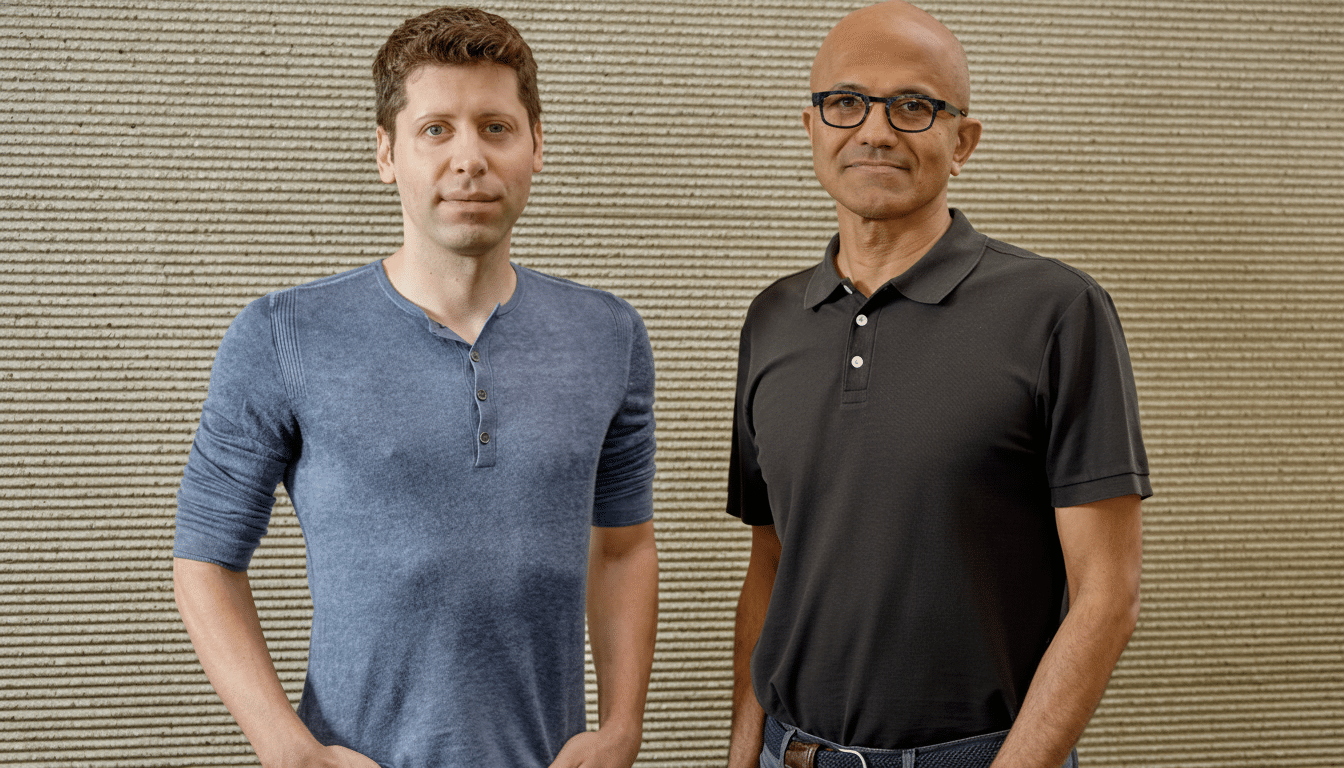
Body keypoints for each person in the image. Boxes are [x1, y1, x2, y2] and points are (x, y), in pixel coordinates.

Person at [173, 8, 658, 768]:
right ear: (385, 153)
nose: (469, 157)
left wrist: (622, 728)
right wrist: (290, 752)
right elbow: (205, 559)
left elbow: (624, 548)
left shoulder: (610, 335)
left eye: (496, 127)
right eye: (437, 129)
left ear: (537, 146)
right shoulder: (282, 334)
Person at [725, 2, 1150, 767]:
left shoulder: (1058, 312)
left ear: (964, 142)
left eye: (913, 107)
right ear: (812, 127)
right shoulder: (772, 319)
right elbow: (772, 561)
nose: (876, 130)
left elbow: (1108, 597)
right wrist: (741, 750)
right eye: (846, 103)